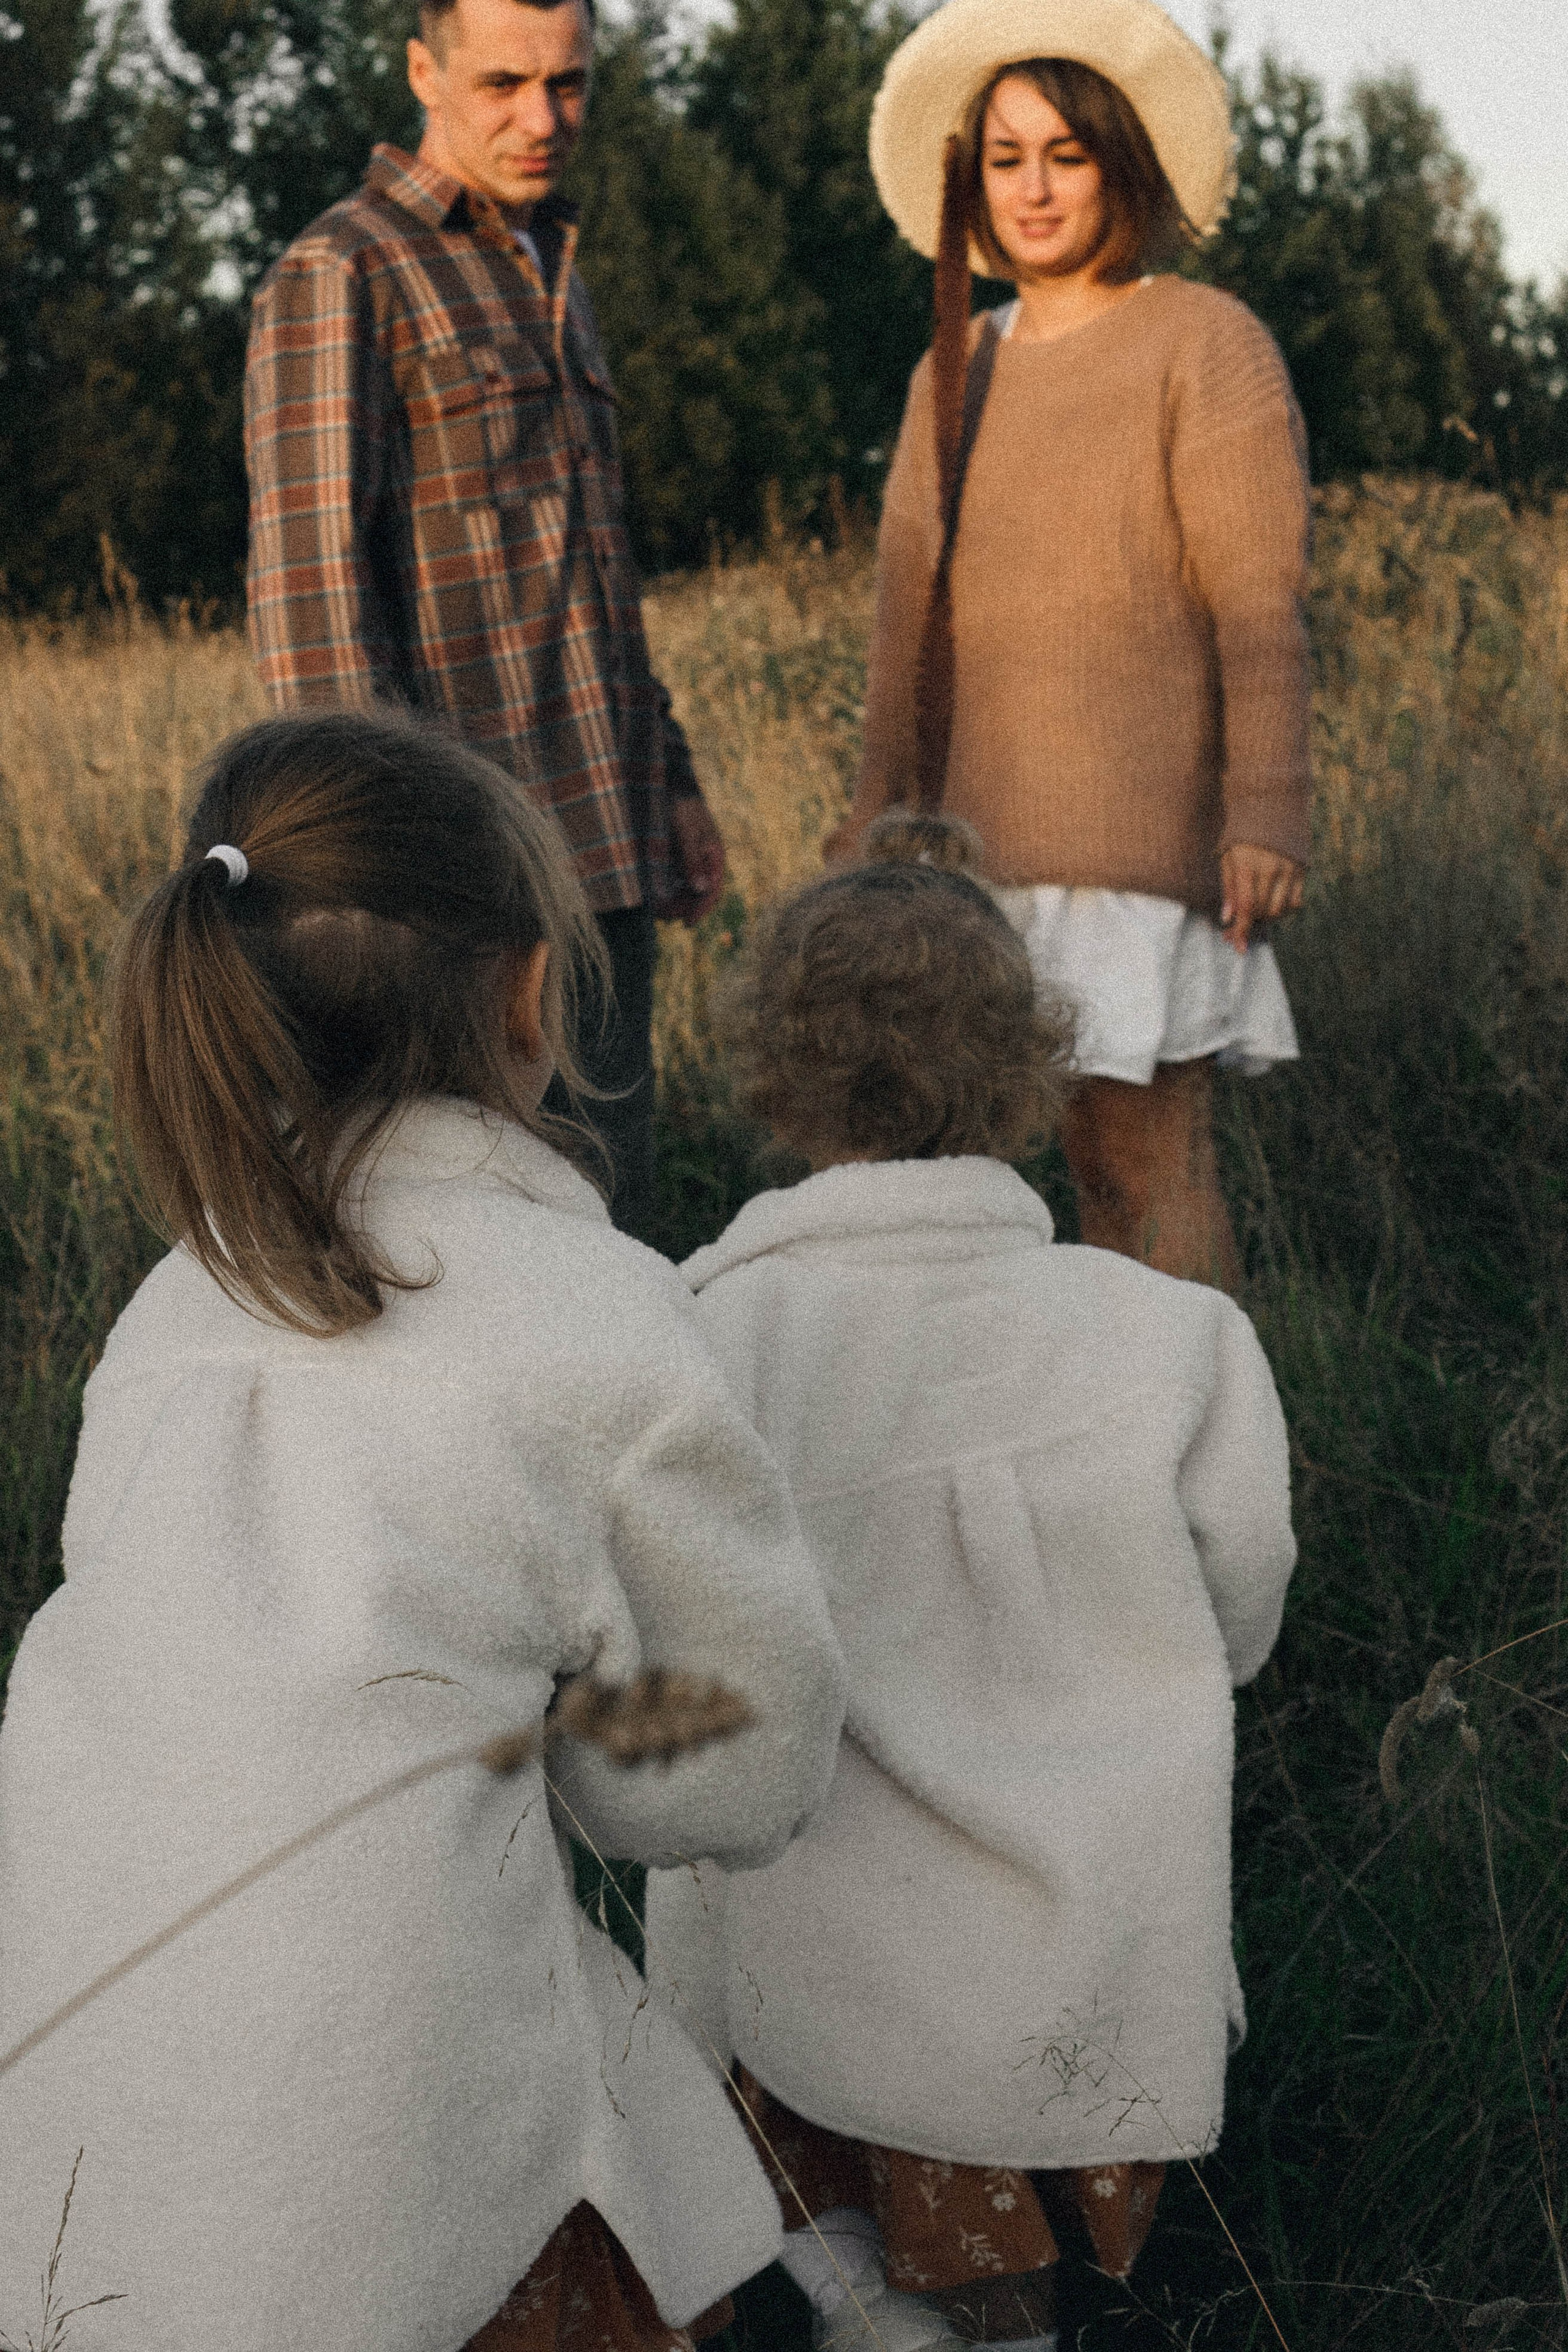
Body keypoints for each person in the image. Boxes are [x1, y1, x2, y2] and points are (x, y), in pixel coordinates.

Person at [0, 710, 846, 2352]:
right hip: (380, 2188)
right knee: (636, 2152)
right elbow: (746, 1766)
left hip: (79, 2165)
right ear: (531, 995)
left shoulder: (167, 1316)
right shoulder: (598, 1314)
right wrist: (556, 1740)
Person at [647, 814, 1297, 2352]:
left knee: (821, 2101)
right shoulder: (1164, 1335)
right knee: (1012, 2149)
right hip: (1082, 1901)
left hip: (821, 1917)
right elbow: (1243, 1596)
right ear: (1028, 1065)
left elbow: (665, 1627)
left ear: (777, 1080)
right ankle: (994, 2321)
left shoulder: (705, 1335)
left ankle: (849, 2283)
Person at [830, 0, 1313, 1291]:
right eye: (1004, 157)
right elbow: (901, 625)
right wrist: (871, 812)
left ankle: (1198, 1460)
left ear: (1121, 163)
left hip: (1135, 858)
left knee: (1135, 1166)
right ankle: (1070, 1447)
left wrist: (1264, 804)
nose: (1033, 189)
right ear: (968, 180)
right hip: (971, 861)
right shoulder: (954, 367)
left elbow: (1258, 604)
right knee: (978, 1189)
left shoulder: (1201, 344)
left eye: (1064, 153)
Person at [243, 0, 726, 1240]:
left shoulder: (551, 272)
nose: (541, 116)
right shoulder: (340, 271)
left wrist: (668, 778)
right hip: (462, 892)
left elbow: (592, 576)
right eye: (503, 81)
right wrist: (380, 889)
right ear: (422, 69)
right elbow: (314, 618)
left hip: (605, 856)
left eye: (568, 84)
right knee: (472, 1242)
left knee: (613, 1226)